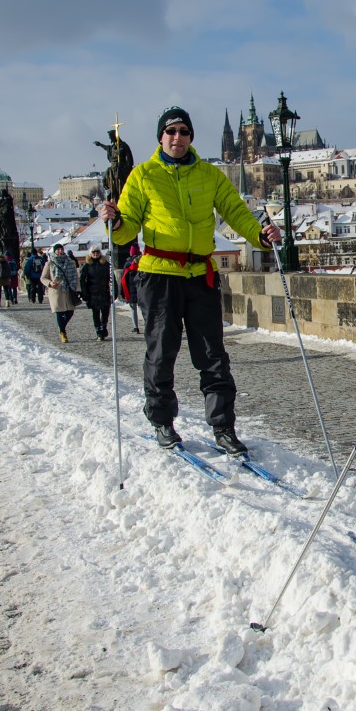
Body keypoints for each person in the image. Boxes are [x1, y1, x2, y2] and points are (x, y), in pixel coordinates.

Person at [99, 106, 281, 454]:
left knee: (213, 356)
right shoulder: (142, 176)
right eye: (170, 132)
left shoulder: (209, 175)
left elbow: (236, 212)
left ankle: (223, 427)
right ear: (161, 137)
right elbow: (125, 233)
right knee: (161, 352)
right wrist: (116, 222)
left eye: (183, 131)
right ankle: (162, 421)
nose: (177, 137)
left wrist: (260, 235)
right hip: (159, 274)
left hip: (200, 274)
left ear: (190, 136)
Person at [41, 244, 79, 343]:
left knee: (70, 312)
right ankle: (63, 332)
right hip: (56, 290)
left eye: (61, 249)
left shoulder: (70, 262)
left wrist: (77, 288)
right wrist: (49, 283)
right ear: (54, 251)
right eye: (57, 249)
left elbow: (76, 275)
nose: (60, 251)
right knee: (59, 312)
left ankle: (62, 327)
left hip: (68, 290)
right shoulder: (50, 263)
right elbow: (43, 278)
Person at [80, 244, 115, 341]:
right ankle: (99, 332)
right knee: (95, 314)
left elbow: (112, 278)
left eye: (97, 252)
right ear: (90, 254)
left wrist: (114, 291)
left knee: (105, 313)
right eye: (93, 252)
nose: (95, 254)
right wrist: (84, 292)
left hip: (104, 292)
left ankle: (103, 327)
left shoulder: (106, 264)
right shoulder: (87, 265)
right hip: (92, 293)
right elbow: (82, 279)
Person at [121, 243, 142, 333]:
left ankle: (136, 327)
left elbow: (123, 278)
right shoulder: (143, 261)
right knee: (142, 308)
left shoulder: (127, 263)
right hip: (141, 289)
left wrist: (122, 291)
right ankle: (146, 324)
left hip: (130, 289)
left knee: (133, 309)